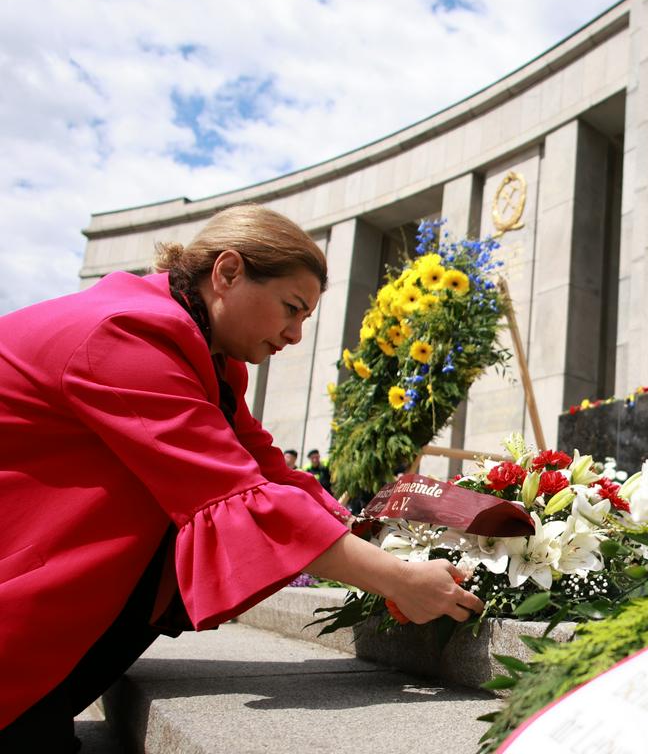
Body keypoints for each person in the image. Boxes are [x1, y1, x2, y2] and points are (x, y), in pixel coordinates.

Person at [0, 204, 483, 749]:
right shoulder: (126, 336)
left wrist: (382, 545)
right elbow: (238, 496)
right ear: (227, 272)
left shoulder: (208, 355)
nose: (297, 335)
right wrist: (398, 581)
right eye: (291, 309)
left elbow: (267, 470)